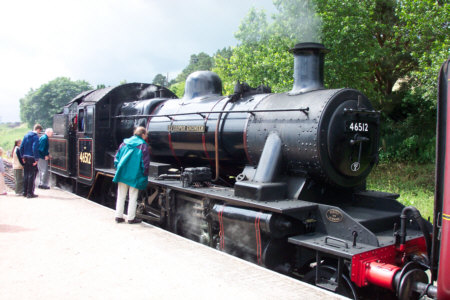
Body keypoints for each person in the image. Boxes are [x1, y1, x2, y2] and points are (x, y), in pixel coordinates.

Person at [113, 126, 150, 224]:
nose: (146, 136)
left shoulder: (124, 143)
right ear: (142, 135)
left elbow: (116, 157)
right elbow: (145, 163)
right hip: (134, 175)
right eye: (146, 134)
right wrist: (145, 174)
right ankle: (130, 218)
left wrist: (118, 167)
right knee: (133, 197)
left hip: (122, 172)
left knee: (121, 195)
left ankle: (118, 216)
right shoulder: (143, 146)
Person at [20, 124, 42, 198]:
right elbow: (34, 148)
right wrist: (36, 159)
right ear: (38, 130)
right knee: (31, 175)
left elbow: (21, 146)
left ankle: (24, 192)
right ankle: (30, 193)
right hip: (32, 157)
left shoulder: (26, 136)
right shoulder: (35, 137)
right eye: (39, 131)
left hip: (25, 157)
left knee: (26, 175)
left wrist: (22, 156)